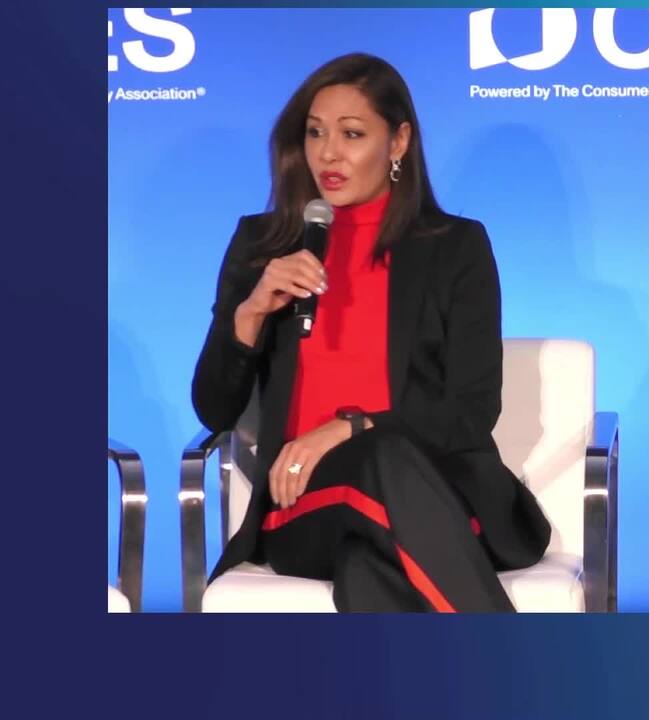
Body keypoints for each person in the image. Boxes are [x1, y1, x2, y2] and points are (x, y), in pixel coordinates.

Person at [192, 53, 549, 612]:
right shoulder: (263, 246)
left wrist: (350, 428)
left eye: (352, 134)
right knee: (380, 468)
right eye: (315, 133)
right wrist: (251, 312)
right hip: (305, 501)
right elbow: (214, 410)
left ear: (398, 141)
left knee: (368, 571)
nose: (328, 153)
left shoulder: (455, 247)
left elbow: (472, 412)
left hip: (442, 488)